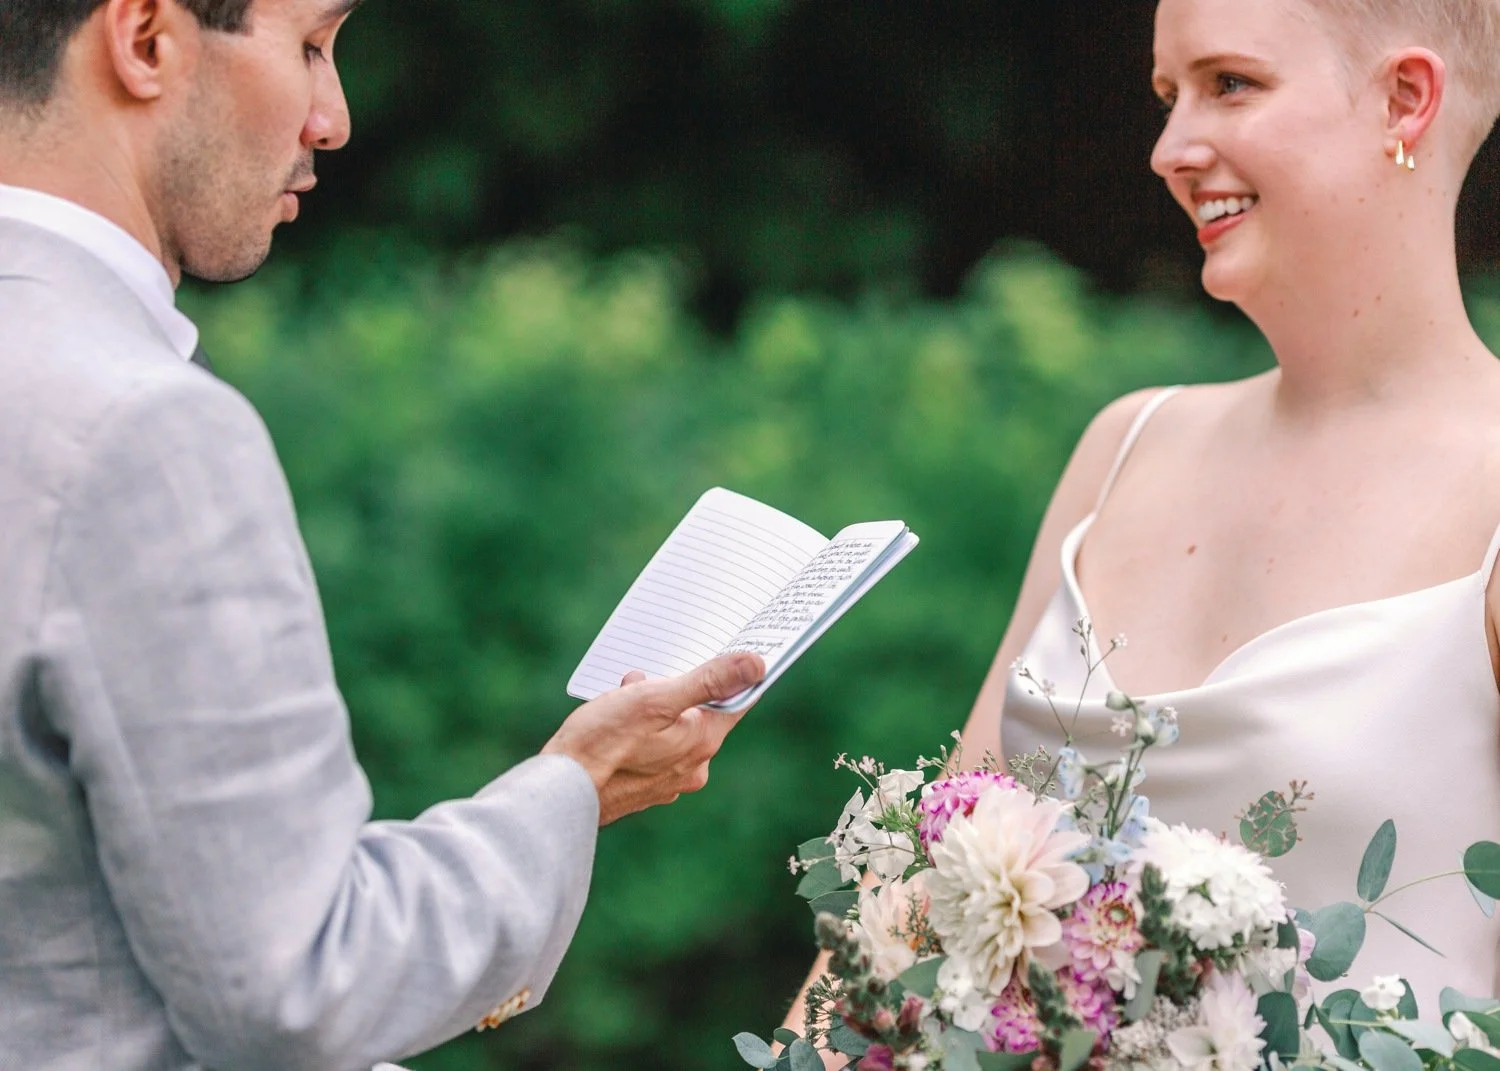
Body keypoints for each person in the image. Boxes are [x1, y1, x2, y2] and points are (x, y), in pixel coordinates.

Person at [0, 1, 764, 1069]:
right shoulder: (142, 430)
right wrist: (571, 790)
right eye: (310, 45)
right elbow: (299, 988)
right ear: (145, 41)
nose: (334, 119)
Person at [786, 0, 1500, 1054]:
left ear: (1405, 98)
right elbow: (911, 908)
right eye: (1169, 97)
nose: (1171, 149)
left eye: (1231, 84)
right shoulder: (1126, 448)